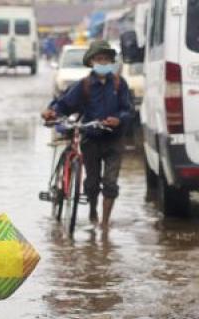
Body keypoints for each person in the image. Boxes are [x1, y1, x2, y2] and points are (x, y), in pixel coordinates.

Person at [41, 40, 134, 229]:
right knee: (91, 183)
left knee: (110, 183)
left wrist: (119, 119)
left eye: (106, 59)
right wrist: (52, 112)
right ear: (91, 62)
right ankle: (92, 209)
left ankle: (105, 224)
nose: (102, 63)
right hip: (90, 139)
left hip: (114, 140)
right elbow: (64, 104)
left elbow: (128, 109)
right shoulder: (83, 86)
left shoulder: (119, 84)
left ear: (111, 62)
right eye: (99, 59)